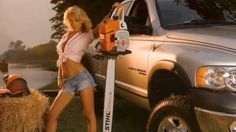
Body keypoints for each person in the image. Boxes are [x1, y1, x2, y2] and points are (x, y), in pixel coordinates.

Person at [46, 6, 98, 132]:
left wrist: (115, 10)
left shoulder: (87, 35)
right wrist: (59, 78)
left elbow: (103, 25)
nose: (73, 23)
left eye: (76, 20)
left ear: (82, 20)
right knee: (51, 116)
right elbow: (61, 59)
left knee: (89, 115)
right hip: (67, 83)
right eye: (70, 20)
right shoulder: (64, 36)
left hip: (83, 79)